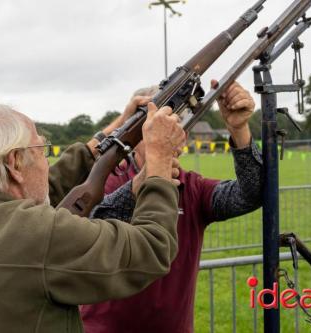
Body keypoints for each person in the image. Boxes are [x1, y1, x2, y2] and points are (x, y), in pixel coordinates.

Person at [0, 100, 186, 333]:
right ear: (15, 162)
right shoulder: (37, 233)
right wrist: (159, 170)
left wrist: (113, 133)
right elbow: (150, 248)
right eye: (41, 150)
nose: (46, 161)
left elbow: (30, 190)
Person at [80, 80, 263, 333]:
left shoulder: (192, 186)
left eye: (178, 126)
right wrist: (146, 180)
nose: (175, 136)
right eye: (162, 127)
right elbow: (91, 227)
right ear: (134, 133)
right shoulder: (103, 182)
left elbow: (252, 194)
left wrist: (239, 129)